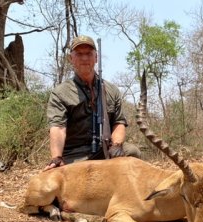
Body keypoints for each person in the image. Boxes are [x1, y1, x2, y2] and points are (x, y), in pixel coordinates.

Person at [44, 35, 141, 171]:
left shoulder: (111, 90)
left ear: (96, 58)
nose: (84, 58)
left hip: (106, 150)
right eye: (79, 54)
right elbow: (58, 128)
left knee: (133, 152)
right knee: (60, 178)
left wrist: (116, 145)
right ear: (71, 59)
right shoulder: (60, 92)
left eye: (89, 54)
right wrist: (57, 157)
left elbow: (119, 123)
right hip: (76, 155)